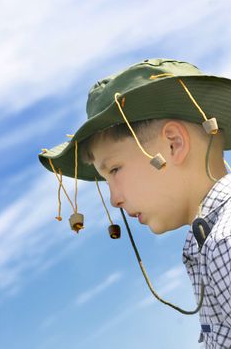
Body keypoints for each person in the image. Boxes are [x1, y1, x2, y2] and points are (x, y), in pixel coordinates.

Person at [39, 58, 231, 348]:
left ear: (173, 144)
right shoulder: (208, 241)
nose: (114, 199)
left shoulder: (225, 240)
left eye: (114, 170)